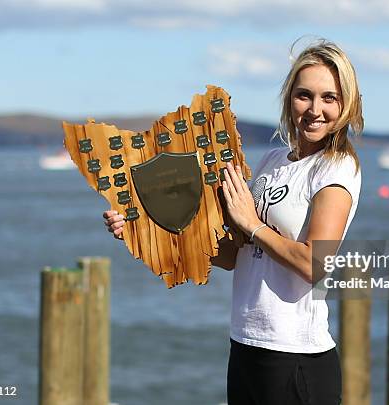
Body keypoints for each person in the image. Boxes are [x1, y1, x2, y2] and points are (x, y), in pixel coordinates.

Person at [104, 39, 363, 405]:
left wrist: (251, 223)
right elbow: (234, 256)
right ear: (290, 98)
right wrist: (145, 229)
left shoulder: (336, 167)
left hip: (296, 360)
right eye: (304, 95)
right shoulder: (273, 161)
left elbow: (315, 264)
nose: (314, 109)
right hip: (245, 348)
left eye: (329, 98)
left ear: (347, 104)